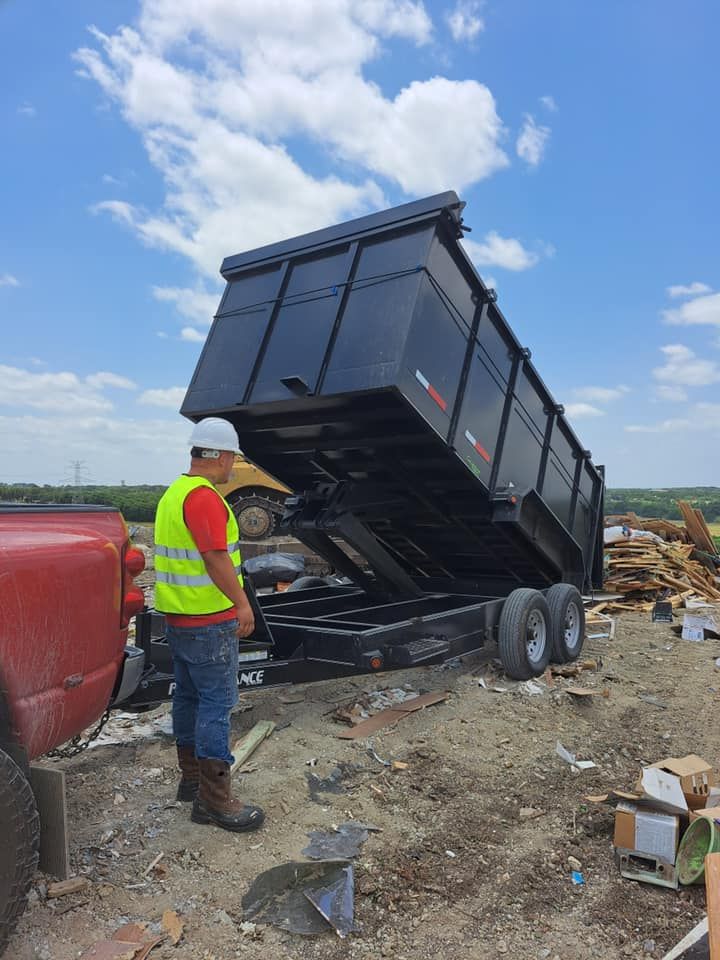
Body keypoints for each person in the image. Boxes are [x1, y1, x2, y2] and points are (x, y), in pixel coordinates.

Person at [154, 417, 264, 832]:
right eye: (232, 455)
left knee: (187, 698)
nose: (234, 464)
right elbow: (216, 557)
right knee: (216, 705)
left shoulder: (172, 495)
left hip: (179, 617)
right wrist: (242, 604)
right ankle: (215, 802)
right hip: (209, 620)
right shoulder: (203, 499)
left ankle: (190, 782)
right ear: (217, 455)